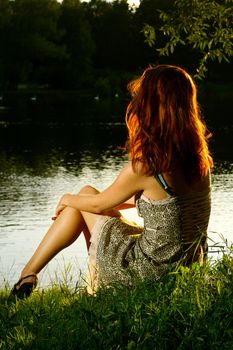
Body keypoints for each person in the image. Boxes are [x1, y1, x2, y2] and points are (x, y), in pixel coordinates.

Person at [11, 64, 213, 298]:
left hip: (146, 274)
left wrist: (67, 199)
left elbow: (98, 205)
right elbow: (164, 205)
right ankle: (32, 276)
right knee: (86, 195)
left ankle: (30, 276)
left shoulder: (146, 166)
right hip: (185, 269)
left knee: (82, 200)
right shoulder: (200, 161)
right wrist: (84, 203)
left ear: (150, 106)